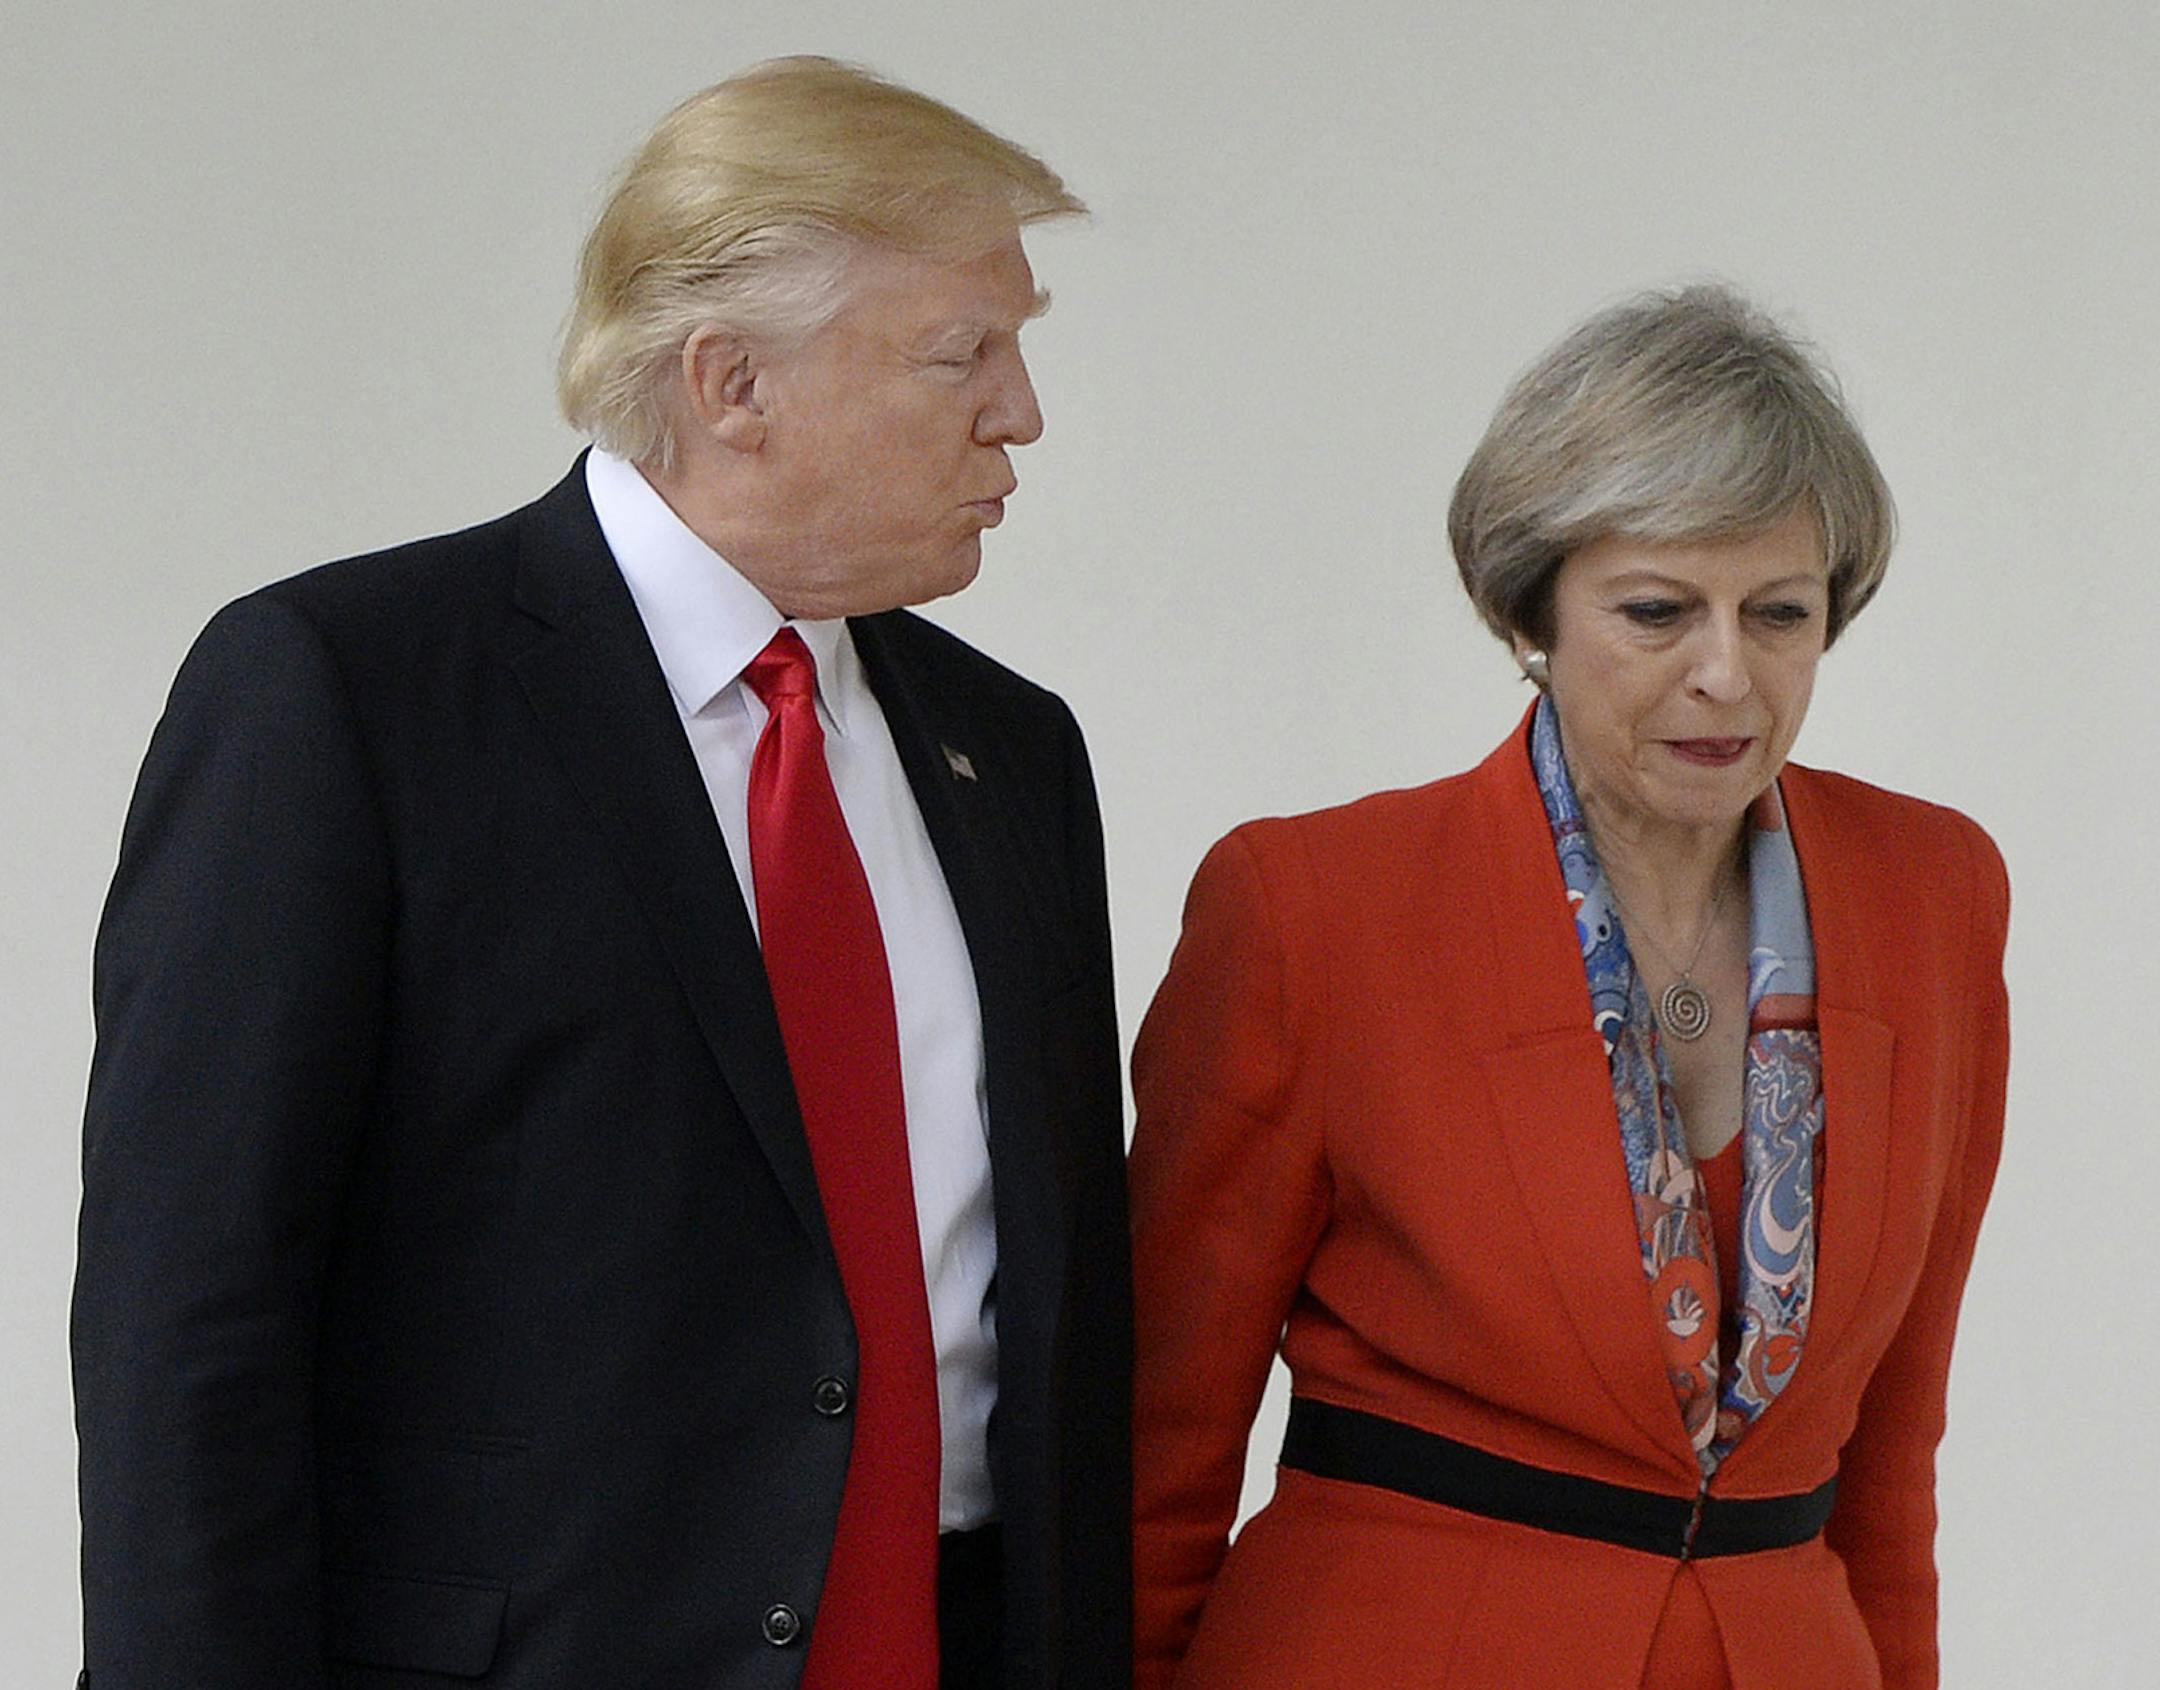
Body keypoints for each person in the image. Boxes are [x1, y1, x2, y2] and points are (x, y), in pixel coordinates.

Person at [74, 57, 1129, 1690]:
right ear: (730, 383)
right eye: (959, 354)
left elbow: (1053, 1326)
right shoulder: (344, 694)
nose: (1021, 409)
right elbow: (189, 1326)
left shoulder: (1014, 754)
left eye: (1018, 346)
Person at [1129, 284, 2008, 1688]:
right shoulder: (1309, 909)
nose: (1729, 673)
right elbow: (1153, 1449)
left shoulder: (1936, 889)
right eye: (1658, 611)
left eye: (1780, 612)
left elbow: (1890, 1457)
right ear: (1526, 607)